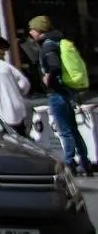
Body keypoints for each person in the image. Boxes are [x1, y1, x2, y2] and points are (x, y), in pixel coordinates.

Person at [27, 14, 94, 176]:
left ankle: (70, 164)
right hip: (67, 91)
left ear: (39, 30)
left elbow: (54, 66)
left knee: (65, 131)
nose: (31, 33)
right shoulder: (58, 41)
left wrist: (47, 79)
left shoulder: (47, 46)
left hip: (56, 94)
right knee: (73, 129)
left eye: (32, 30)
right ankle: (85, 163)